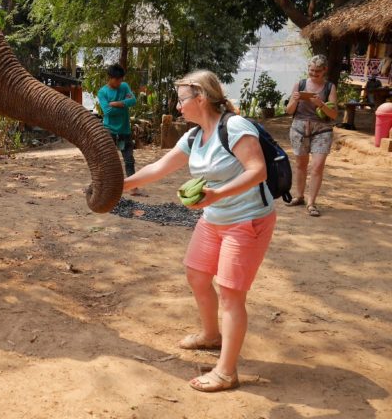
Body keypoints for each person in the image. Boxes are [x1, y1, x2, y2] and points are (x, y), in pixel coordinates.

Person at [122, 70, 276, 392]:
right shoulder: (194, 136)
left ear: (201, 98)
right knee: (196, 274)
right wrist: (118, 185)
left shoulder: (234, 127)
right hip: (214, 216)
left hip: (247, 220)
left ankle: (226, 371)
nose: (178, 107)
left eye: (181, 100)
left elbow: (258, 170)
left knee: (231, 295)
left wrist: (217, 194)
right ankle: (210, 335)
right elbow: (160, 168)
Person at [284, 54, 338, 217]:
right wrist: (294, 100)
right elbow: (289, 111)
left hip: (322, 130)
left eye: (317, 72)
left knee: (317, 166)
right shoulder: (299, 84)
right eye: (311, 70)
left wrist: (320, 104)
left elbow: (334, 115)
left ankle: (311, 203)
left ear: (324, 70)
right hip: (299, 127)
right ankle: (299, 196)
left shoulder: (330, 87)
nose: (314, 74)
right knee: (301, 164)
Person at [97, 64, 140, 193]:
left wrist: (117, 103)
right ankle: (106, 187)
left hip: (125, 130)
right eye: (117, 79)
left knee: (129, 160)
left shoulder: (124, 86)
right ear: (110, 78)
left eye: (121, 79)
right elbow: (107, 111)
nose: (120, 82)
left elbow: (133, 101)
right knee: (107, 160)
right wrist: (124, 106)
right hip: (108, 130)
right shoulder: (102, 92)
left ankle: (132, 186)